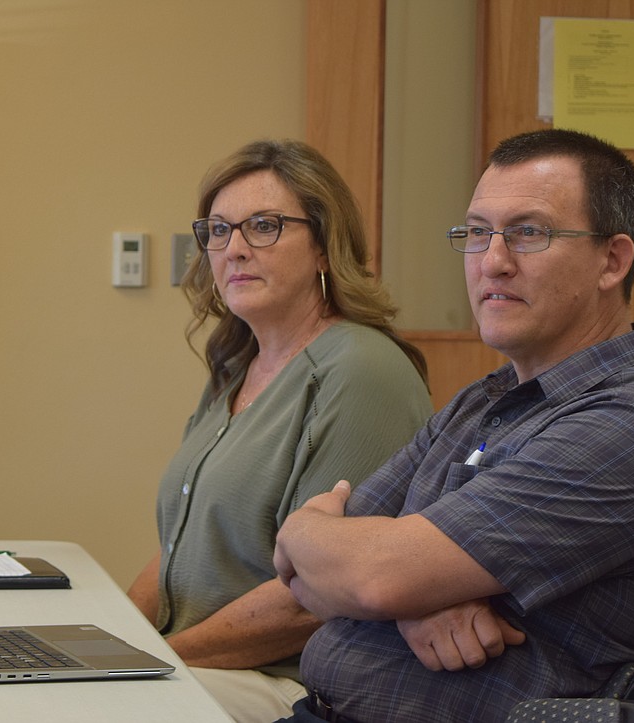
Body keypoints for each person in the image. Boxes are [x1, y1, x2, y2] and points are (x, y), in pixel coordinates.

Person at [273, 128, 634, 723]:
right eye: (478, 233)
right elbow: (301, 569)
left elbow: (371, 575)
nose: (493, 262)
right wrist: (411, 598)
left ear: (612, 260)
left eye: (529, 233)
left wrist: (370, 571)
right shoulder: (484, 400)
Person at [126, 139, 434, 723]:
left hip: (292, 687)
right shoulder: (234, 366)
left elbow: (319, 598)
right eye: (218, 230)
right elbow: (176, 552)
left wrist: (157, 660)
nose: (234, 249)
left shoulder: (362, 369)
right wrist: (110, 642)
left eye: (263, 226)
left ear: (323, 246)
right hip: (195, 664)